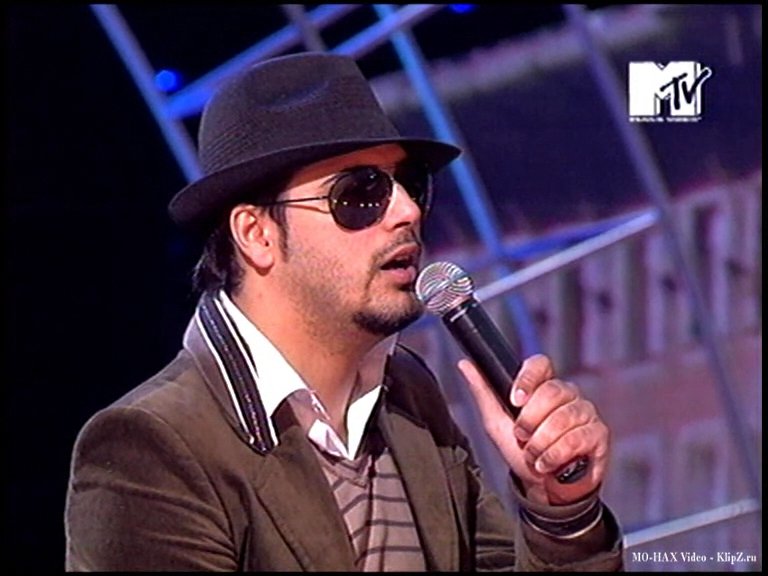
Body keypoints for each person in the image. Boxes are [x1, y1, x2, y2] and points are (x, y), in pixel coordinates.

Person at [64, 51, 624, 571]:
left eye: (410, 184)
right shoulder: (153, 446)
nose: (406, 211)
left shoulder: (410, 396)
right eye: (360, 193)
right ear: (257, 234)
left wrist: (562, 512)